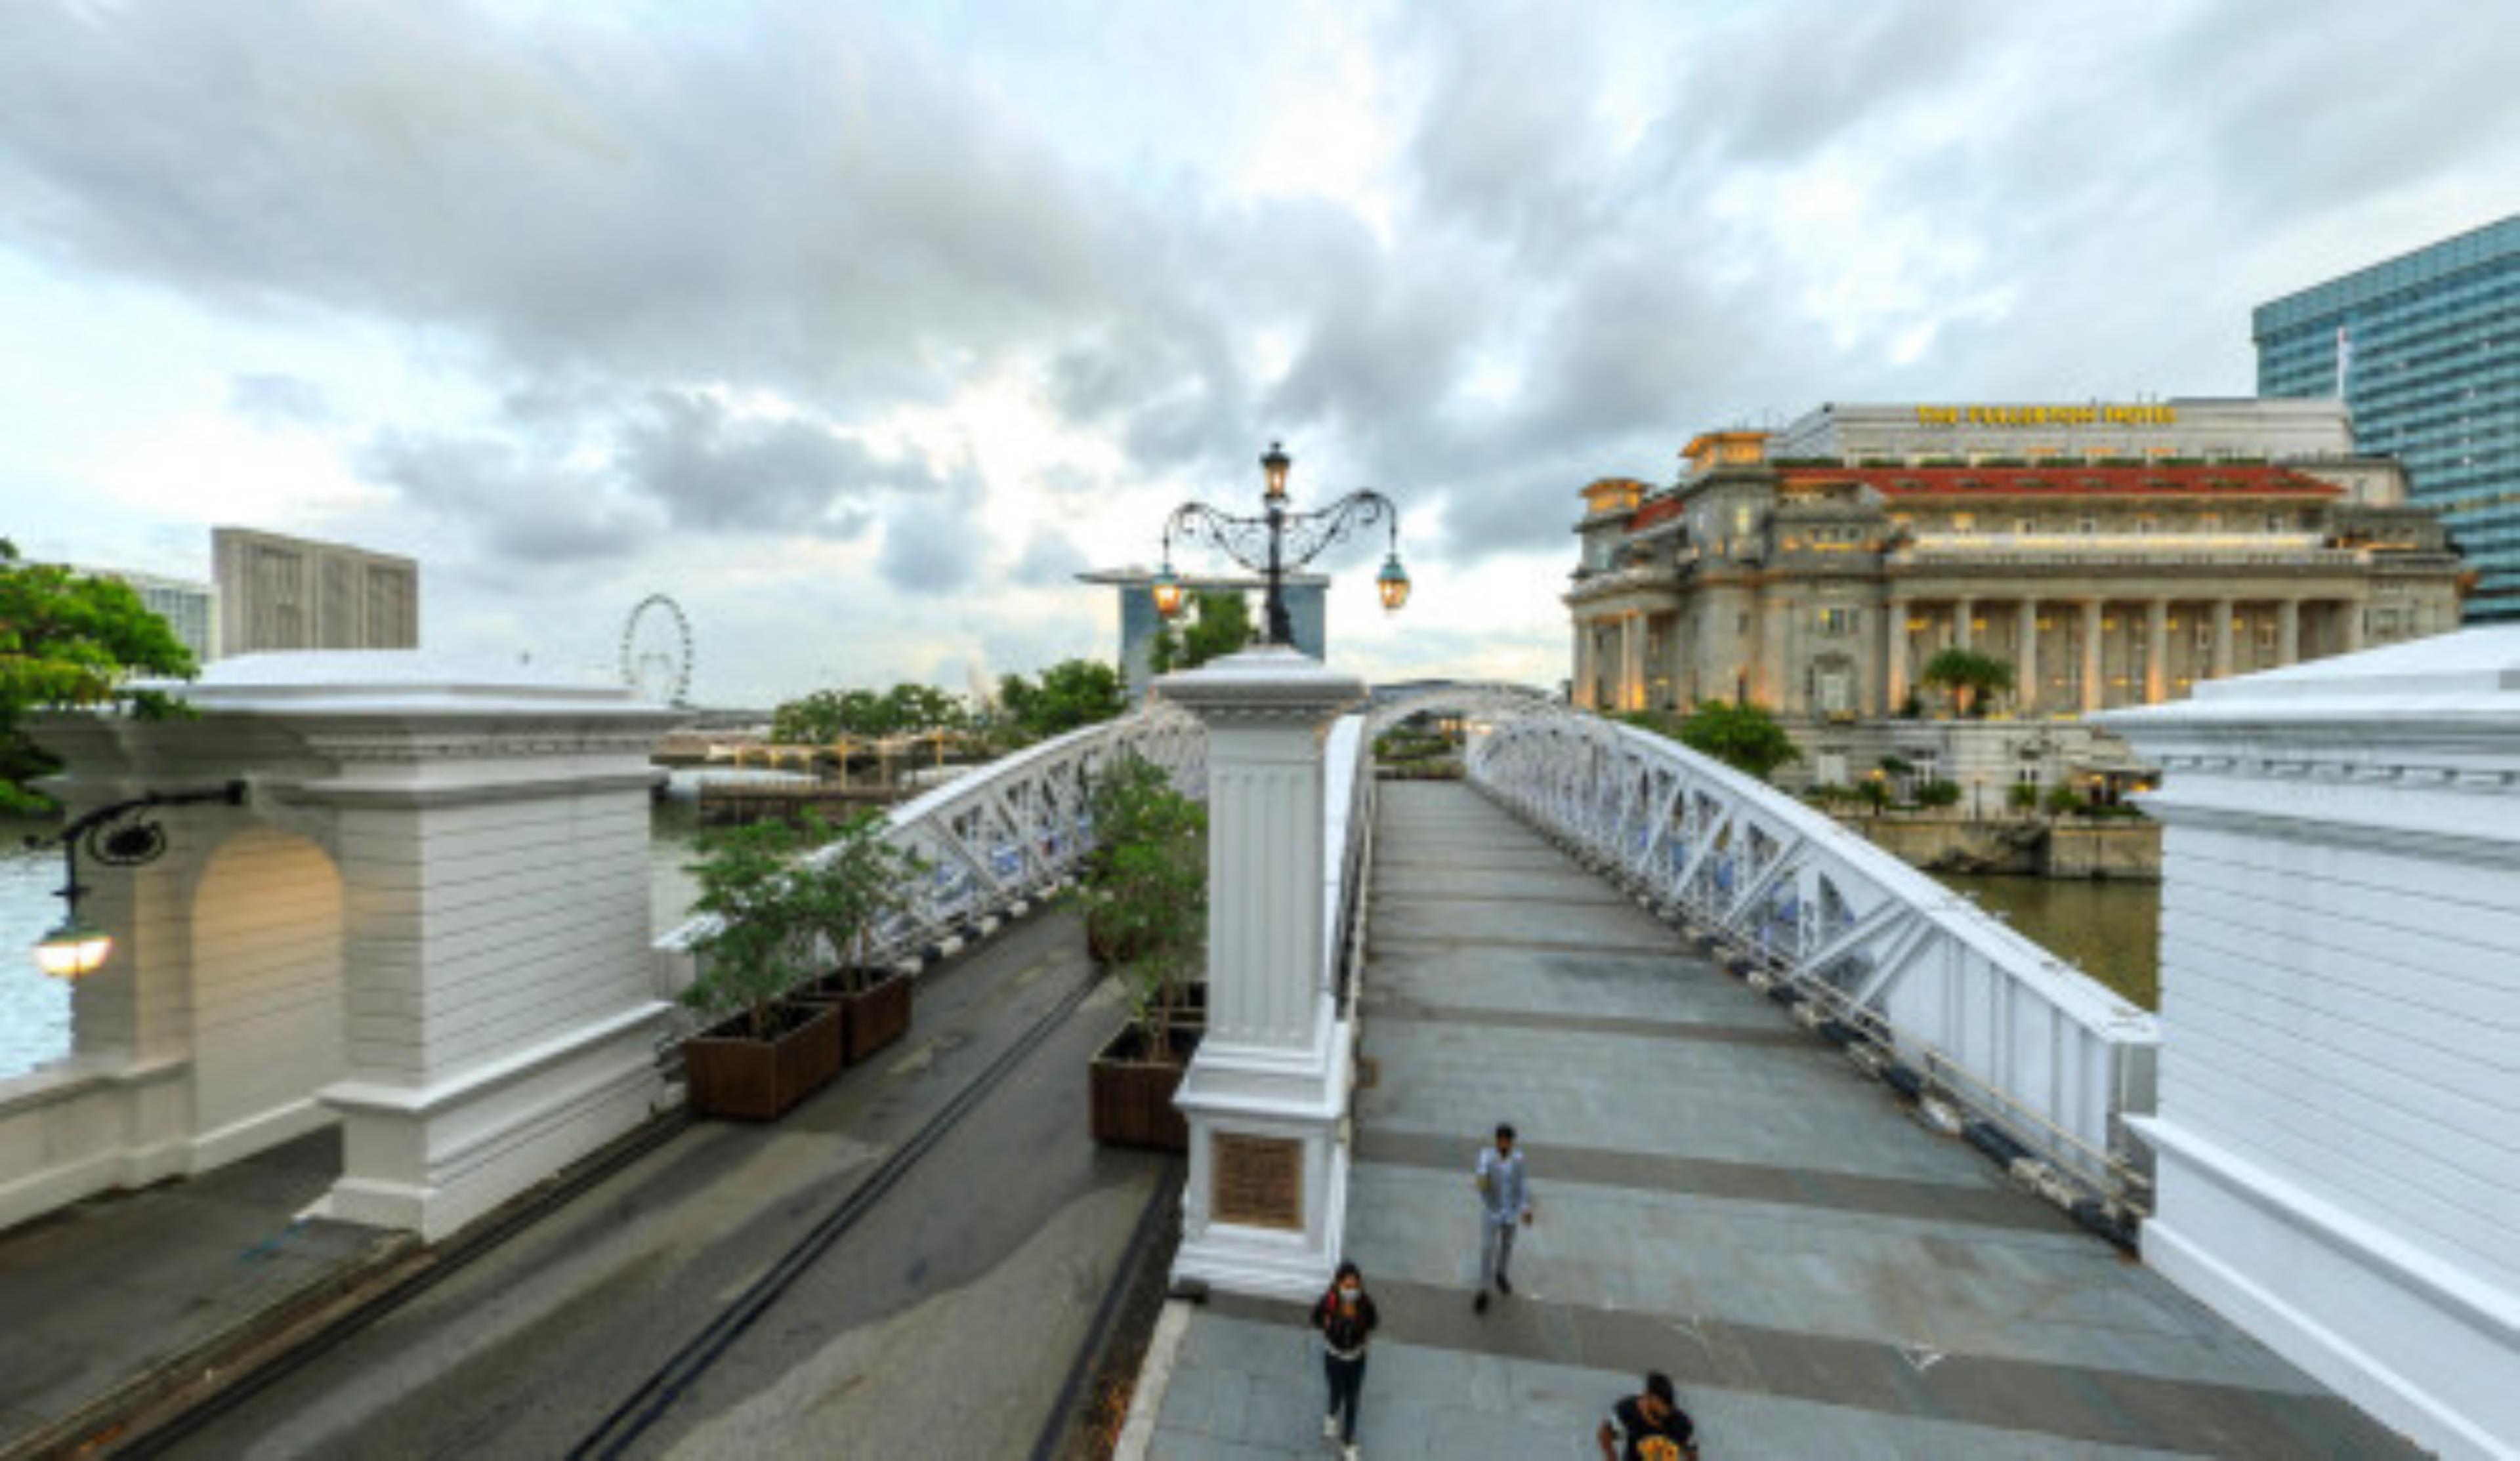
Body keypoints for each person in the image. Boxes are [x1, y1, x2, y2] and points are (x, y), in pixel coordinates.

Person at [1311, 1258, 1378, 1459]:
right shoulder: (1329, 1301)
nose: (1351, 1290)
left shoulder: (1364, 1302)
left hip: (1357, 1359)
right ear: (1338, 1284)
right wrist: (1331, 1323)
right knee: (1336, 1392)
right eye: (1347, 1285)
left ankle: (1348, 1441)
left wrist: (1361, 1327)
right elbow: (1315, 1319)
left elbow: (1374, 1321)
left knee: (1353, 1399)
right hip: (1335, 1357)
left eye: (1355, 1285)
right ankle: (1332, 1413)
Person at [1472, 1122, 1532, 1313]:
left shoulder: (1518, 1159)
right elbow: (1481, 1181)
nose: (1504, 1145)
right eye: (1502, 1141)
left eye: (1508, 1141)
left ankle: (1501, 1274)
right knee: (1487, 1249)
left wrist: (1525, 1208)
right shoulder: (1486, 1157)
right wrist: (1483, 1182)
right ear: (1497, 1141)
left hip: (1511, 1213)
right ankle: (1484, 1288)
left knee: (1507, 1246)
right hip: (1492, 1211)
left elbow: (1522, 1184)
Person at [1597, 1370, 1698, 1460]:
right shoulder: (1627, 1411)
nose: (1657, 1423)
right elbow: (1605, 1433)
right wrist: (1611, 1457)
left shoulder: (1680, 1423)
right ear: (1646, 1398)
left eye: (1662, 1418)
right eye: (1654, 1416)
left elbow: (1691, 1451)